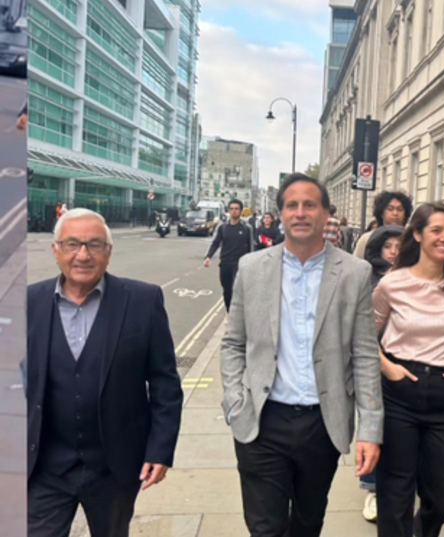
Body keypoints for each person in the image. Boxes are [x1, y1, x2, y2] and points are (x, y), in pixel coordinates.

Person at [219, 173, 383, 537]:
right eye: (291, 205)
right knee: (265, 527)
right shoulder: (252, 267)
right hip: (263, 419)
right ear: (280, 214)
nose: (300, 212)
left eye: (310, 204)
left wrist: (370, 429)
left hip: (322, 423)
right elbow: (233, 343)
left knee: (308, 523)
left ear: (326, 214)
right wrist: (234, 399)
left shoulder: (355, 273)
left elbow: (366, 355)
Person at [26, 208, 183, 537]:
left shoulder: (142, 300)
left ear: (108, 252)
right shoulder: (28, 302)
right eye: (72, 244)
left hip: (115, 466)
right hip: (44, 465)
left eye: (94, 245)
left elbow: (165, 383)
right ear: (55, 250)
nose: (83, 255)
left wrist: (160, 450)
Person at [373, 202, 444, 537]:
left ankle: (422, 531)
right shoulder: (392, 283)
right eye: (436, 230)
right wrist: (386, 366)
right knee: (396, 489)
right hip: (400, 390)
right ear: (416, 234)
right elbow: (364, 334)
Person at [357, 224, 403, 521]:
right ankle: (372, 488)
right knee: (374, 427)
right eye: (389, 246)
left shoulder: (416, 277)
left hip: (405, 365)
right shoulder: (367, 278)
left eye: (400, 246)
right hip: (374, 365)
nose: (395, 252)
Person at [203, 199, 254, 312]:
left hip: (239, 264)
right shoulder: (223, 228)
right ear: (229, 211)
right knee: (226, 290)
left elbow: (251, 247)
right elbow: (216, 243)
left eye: (236, 209)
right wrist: (208, 257)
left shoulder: (246, 228)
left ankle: (236, 315)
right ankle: (229, 313)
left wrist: (251, 264)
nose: (234, 211)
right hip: (225, 263)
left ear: (241, 211)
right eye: (232, 209)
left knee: (235, 289)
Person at [354, 191, 413, 259]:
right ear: (381, 213)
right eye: (390, 209)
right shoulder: (367, 239)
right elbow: (356, 265)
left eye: (400, 209)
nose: (395, 213)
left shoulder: (410, 239)